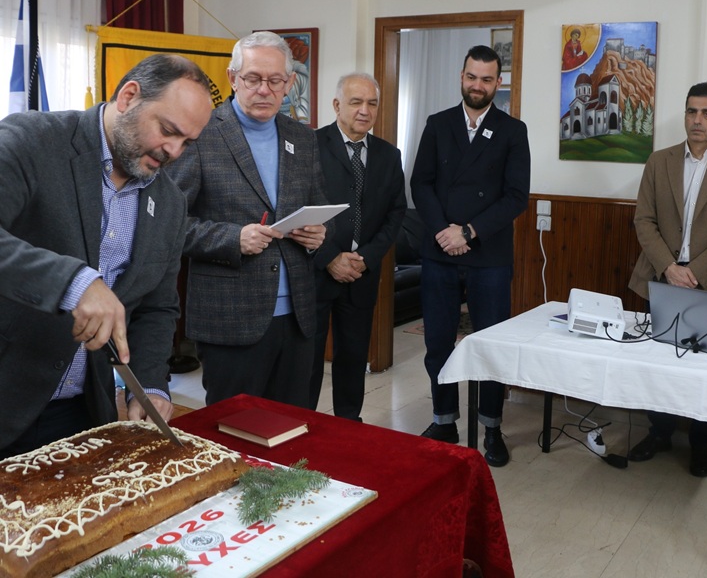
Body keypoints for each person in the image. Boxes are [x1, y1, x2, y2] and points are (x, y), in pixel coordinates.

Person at [0, 54, 213, 458]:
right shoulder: (32, 140)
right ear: (129, 96)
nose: (174, 151)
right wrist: (73, 283)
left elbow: (157, 307)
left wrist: (150, 385)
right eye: (168, 130)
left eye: (187, 142)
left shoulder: (170, 202)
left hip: (82, 413)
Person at [168, 31, 329, 408]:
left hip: (298, 317)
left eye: (275, 80)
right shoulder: (200, 133)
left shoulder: (303, 138)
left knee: (292, 428)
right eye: (253, 78)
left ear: (290, 82)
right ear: (232, 78)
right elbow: (169, 225)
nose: (264, 90)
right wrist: (232, 239)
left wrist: (319, 232)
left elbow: (320, 205)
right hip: (231, 318)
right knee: (234, 428)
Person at [626, 81, 707, 477]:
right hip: (661, 277)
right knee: (659, 364)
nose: (698, 120)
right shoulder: (659, 161)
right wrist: (669, 267)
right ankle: (660, 433)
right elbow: (643, 220)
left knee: (705, 369)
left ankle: (701, 444)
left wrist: (694, 271)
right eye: (692, 111)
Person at [411, 45, 530, 467]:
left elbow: (516, 196)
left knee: (491, 345)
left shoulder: (513, 131)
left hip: (489, 253)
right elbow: (420, 184)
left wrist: (468, 231)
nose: (477, 85)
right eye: (471, 77)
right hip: (440, 250)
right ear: (461, 77)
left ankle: (492, 427)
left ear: (498, 83)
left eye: (486, 79)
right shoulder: (438, 123)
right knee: (437, 342)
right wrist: (445, 232)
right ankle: (444, 420)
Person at [310, 73, 407, 421]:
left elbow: (396, 213)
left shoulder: (388, 155)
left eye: (372, 103)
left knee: (353, 358)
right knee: (308, 360)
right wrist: (330, 258)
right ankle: (303, 426)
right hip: (316, 272)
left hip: (361, 274)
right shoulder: (310, 146)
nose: (365, 110)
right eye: (356, 102)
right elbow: (296, 209)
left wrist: (365, 257)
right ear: (337, 105)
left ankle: (348, 425)